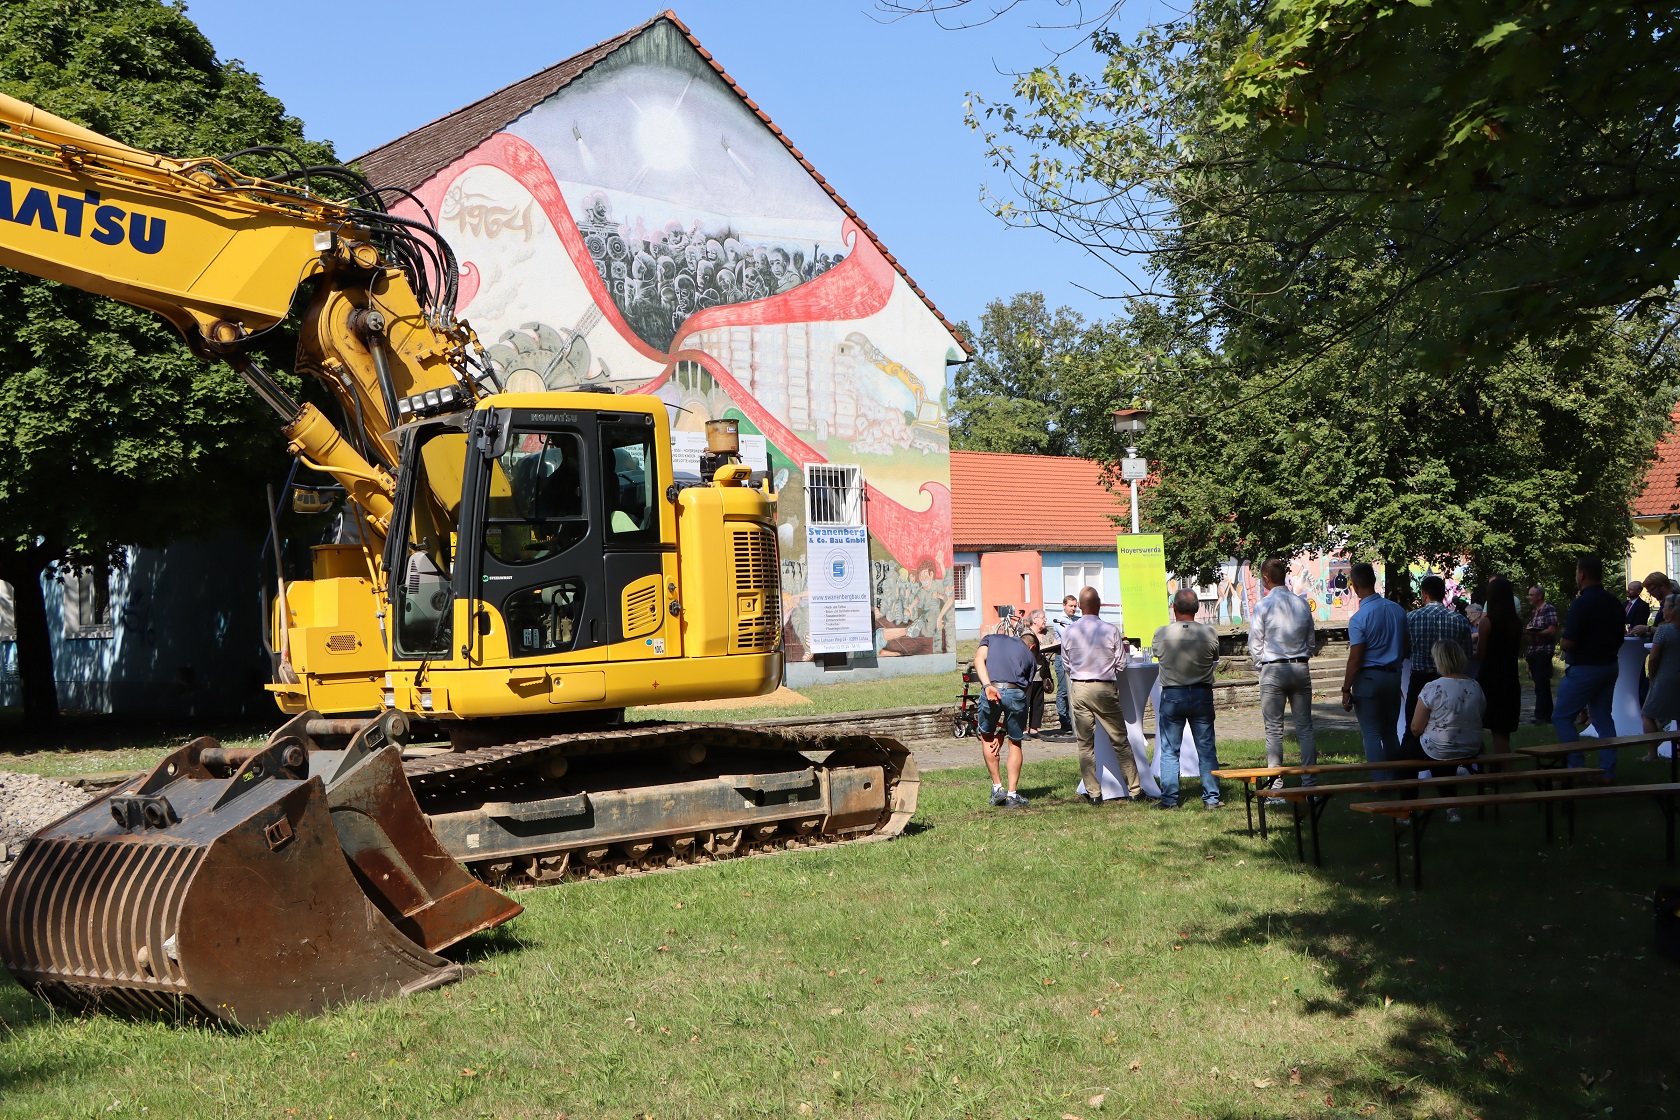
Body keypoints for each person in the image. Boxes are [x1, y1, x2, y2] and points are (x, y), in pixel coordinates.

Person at [1061, 585, 1143, 804]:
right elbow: (1122, 664)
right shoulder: (1110, 630)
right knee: (1119, 739)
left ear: (1079, 605)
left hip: (1079, 687)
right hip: (1104, 687)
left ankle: (1094, 793)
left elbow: (1066, 663)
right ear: (1098, 605)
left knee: (1085, 743)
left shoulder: (1069, 631)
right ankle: (1134, 789)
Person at [1152, 588, 1224, 809]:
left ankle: (1169, 799)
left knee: (1170, 749)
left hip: (1173, 694)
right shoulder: (1209, 633)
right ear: (1198, 608)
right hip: (1201, 693)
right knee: (1206, 748)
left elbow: (1156, 653)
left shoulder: (1162, 633)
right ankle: (1211, 797)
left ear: (1174, 608)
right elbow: (1215, 657)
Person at [1250, 558, 1317, 786]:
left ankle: (1276, 785)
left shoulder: (1263, 605)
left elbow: (1255, 643)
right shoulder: (1302, 604)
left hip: (1274, 668)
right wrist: (1301, 656)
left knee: (1274, 730)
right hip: (1299, 666)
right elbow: (1311, 640)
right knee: (1305, 728)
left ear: (1266, 579)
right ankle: (1310, 784)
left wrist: (1262, 663)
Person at [1554, 555, 1624, 777]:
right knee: (1603, 716)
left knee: (1562, 716)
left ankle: (1576, 767)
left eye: (1577, 572)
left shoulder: (1581, 603)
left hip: (1585, 667)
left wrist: (1562, 642)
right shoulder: (1614, 602)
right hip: (1610, 665)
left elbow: (1570, 640)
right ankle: (1607, 770)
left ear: (1582, 574)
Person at [1406, 639, 1487, 822]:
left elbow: (1416, 728)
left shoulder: (1433, 687)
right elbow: (1479, 716)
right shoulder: (1475, 686)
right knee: (1442, 751)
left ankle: (1406, 808)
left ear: (1439, 660)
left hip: (1442, 746)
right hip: (1471, 747)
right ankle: (1452, 808)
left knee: (1404, 758)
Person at [1340, 562, 1407, 781]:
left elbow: (1356, 657)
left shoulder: (1359, 618)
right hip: (1393, 675)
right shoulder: (1397, 610)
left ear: (1355, 585)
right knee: (1390, 732)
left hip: (1369, 678)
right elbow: (1407, 646)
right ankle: (1397, 779)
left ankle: (1380, 782)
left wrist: (1346, 688)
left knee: (1371, 732)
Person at [1402, 575, 1475, 757]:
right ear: (1444, 594)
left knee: (1412, 728)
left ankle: (1407, 778)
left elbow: (1405, 649)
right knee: (1448, 726)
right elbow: (1466, 654)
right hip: (1451, 681)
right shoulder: (1459, 620)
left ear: (1424, 594)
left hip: (1420, 678)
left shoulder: (1411, 618)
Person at [973, 627, 1036, 808]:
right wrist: (1004, 730)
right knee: (1015, 742)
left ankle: (997, 788)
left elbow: (978, 660)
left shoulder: (990, 639)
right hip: (1016, 692)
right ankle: (1012, 795)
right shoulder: (1029, 656)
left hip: (991, 687)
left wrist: (987, 686)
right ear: (1031, 647)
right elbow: (1025, 693)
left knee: (986, 736)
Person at [1475, 575, 1523, 754]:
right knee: (1502, 727)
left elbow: (1481, 653)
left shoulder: (1487, 622)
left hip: (1491, 678)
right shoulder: (1516, 623)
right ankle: (1502, 763)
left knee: (1493, 724)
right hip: (1510, 676)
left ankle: (1505, 768)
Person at [1640, 592, 1680, 762]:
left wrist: (1652, 674)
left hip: (1666, 677)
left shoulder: (1665, 630)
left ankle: (1652, 753)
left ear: (1672, 609)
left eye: (1664, 606)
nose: (1662, 609)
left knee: (1648, 713)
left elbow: (1654, 657)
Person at [1524, 585, 1560, 724]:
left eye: (1532, 595)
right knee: (1538, 684)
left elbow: (1551, 630)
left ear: (1540, 596)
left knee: (1542, 683)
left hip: (1544, 650)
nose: (1529, 597)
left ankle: (1544, 715)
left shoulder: (1548, 609)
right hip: (1533, 650)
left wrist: (1535, 632)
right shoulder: (1534, 612)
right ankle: (1541, 714)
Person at [1022, 619, 1055, 739]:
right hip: (1028, 673)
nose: (1045, 620)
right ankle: (1023, 730)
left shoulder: (1046, 633)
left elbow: (1056, 644)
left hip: (1041, 673)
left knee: (1038, 703)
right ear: (1035, 620)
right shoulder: (1026, 633)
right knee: (1025, 702)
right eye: (1042, 617)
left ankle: (1034, 729)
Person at [1051, 595, 1079, 734]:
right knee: (1063, 689)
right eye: (1071, 606)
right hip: (1062, 657)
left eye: (1075, 606)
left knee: (1074, 689)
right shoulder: (1059, 620)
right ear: (1064, 605)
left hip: (1076, 659)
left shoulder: (1077, 619)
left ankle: (1073, 718)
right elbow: (1070, 636)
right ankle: (1064, 720)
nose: (1073, 609)